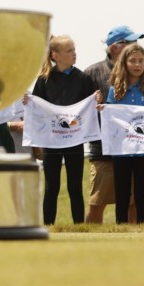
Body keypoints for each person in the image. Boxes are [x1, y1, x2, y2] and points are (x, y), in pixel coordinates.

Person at [27, 35, 97, 225]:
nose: (74, 54)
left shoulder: (83, 78)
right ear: (56, 56)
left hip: (74, 140)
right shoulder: (43, 80)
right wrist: (29, 102)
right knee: (52, 186)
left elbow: (90, 108)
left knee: (75, 186)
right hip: (51, 140)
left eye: (74, 49)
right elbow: (37, 110)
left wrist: (96, 102)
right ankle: (48, 226)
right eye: (69, 51)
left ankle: (79, 227)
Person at [84, 24, 143, 224]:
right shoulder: (92, 72)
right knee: (97, 201)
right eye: (131, 42)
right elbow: (79, 110)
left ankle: (135, 243)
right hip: (103, 150)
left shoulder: (139, 73)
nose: (136, 45)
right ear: (117, 47)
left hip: (133, 149)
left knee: (132, 202)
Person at [104, 43, 144, 224]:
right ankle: (120, 228)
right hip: (121, 149)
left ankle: (143, 228)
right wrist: (103, 109)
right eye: (133, 61)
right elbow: (111, 118)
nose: (137, 65)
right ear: (125, 63)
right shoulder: (115, 89)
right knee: (121, 192)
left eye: (141, 61)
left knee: (141, 192)